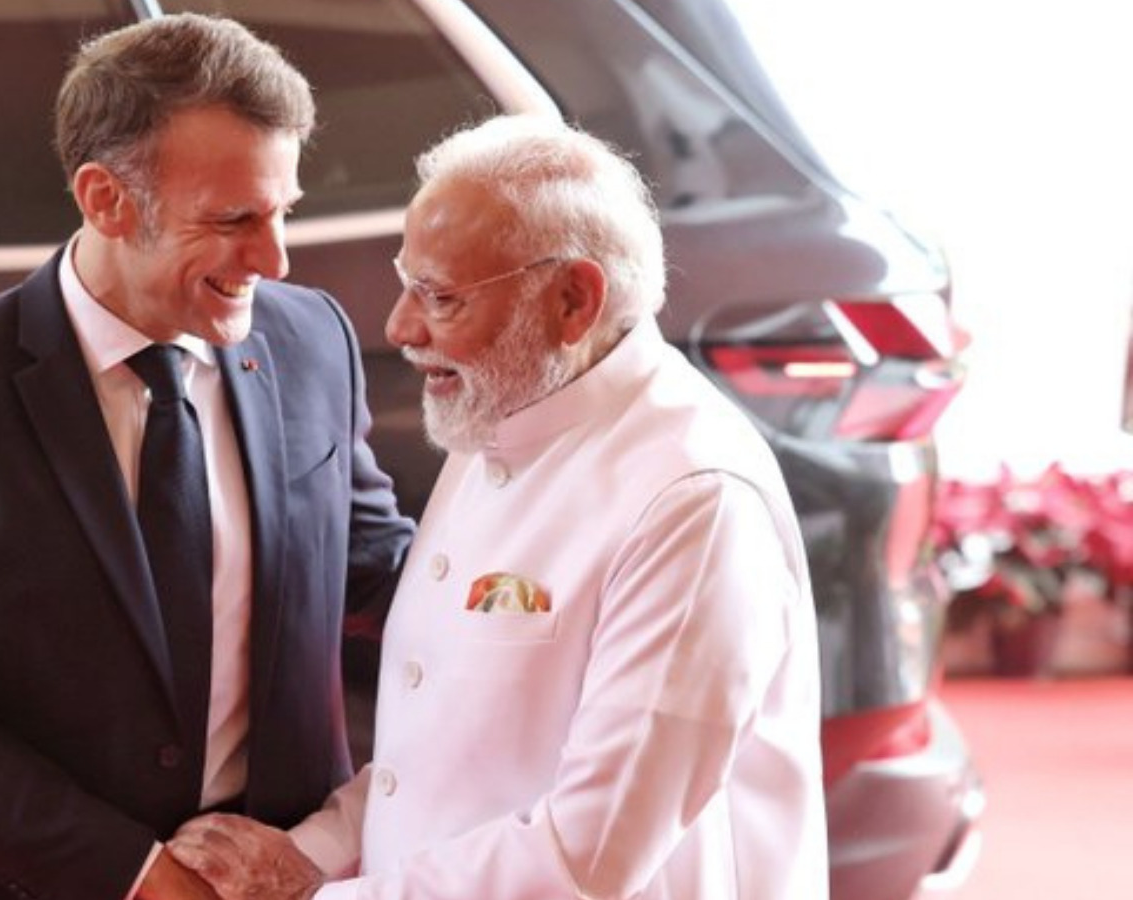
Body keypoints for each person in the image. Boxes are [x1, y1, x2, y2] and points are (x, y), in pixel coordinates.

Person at [0, 14, 413, 900]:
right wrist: (146, 879)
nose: (275, 259)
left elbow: (378, 568)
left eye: (283, 211)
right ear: (105, 199)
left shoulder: (313, 341)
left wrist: (560, 587)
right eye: (234, 219)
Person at [169, 114, 829, 899]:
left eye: (441, 298)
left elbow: (588, 858)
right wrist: (312, 850)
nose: (399, 326)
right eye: (407, 282)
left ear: (573, 301)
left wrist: (310, 897)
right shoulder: (506, 406)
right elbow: (437, 752)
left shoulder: (693, 500)